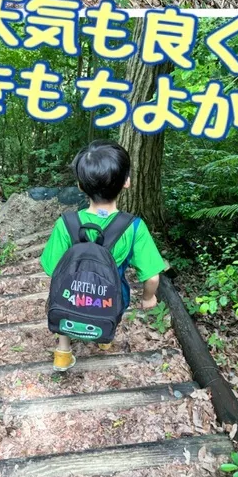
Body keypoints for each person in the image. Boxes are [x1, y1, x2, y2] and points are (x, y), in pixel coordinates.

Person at [40, 140, 165, 372]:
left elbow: (51, 268)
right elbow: (153, 277)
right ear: (126, 182)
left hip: (70, 294)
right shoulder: (134, 227)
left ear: (80, 185)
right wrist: (148, 298)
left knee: (66, 305)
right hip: (110, 296)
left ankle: (63, 353)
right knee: (116, 304)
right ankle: (104, 338)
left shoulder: (66, 223)